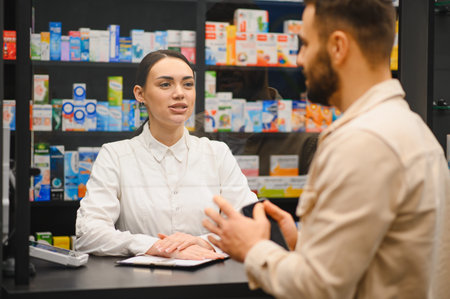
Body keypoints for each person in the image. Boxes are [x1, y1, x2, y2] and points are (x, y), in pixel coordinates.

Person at [203, 0, 450, 298]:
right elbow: (382, 258)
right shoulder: (408, 127)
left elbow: (319, 288)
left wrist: (254, 248)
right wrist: (303, 243)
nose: (298, 59)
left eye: (305, 44)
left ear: (338, 47)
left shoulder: (364, 141)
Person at [75, 50, 258, 259]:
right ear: (140, 94)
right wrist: (157, 247)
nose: (179, 93)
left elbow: (248, 224)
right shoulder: (116, 155)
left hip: (209, 280)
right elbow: (88, 233)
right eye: (165, 84)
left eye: (187, 84)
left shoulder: (217, 153)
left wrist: (201, 242)